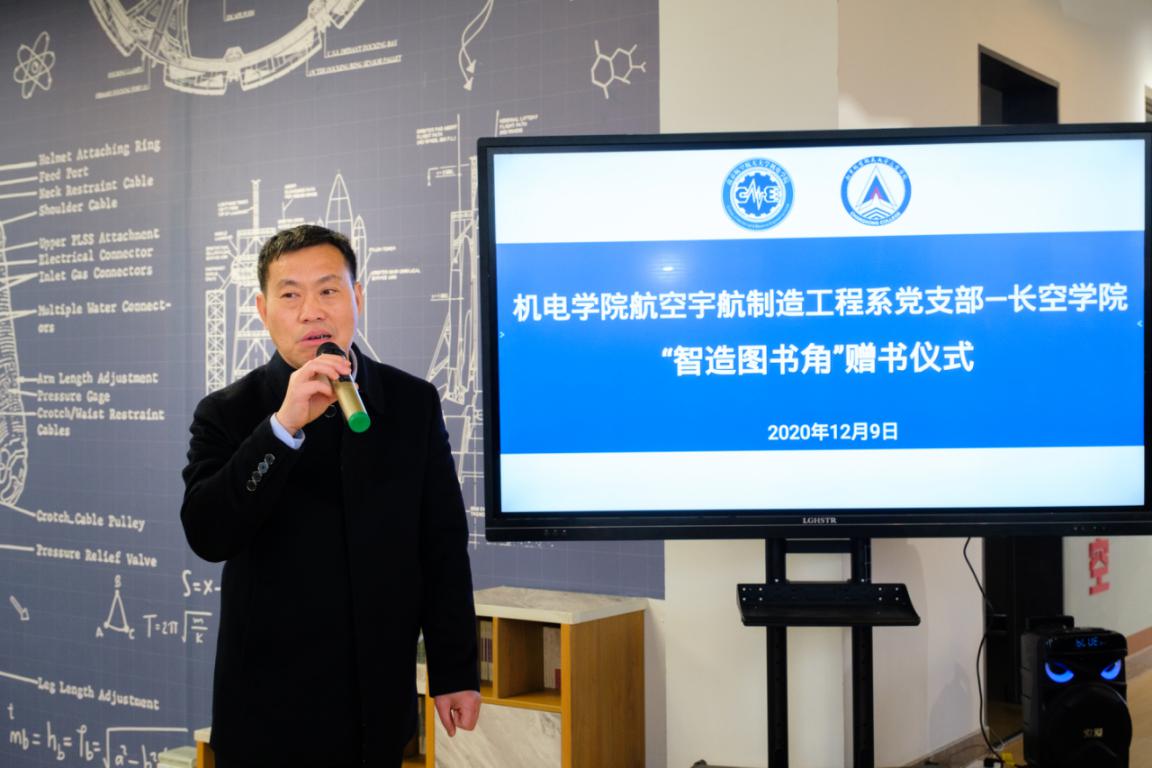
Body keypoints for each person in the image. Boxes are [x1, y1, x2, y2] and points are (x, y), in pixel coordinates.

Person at [181, 224, 480, 767]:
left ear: (357, 297)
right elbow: (208, 533)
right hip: (267, 712)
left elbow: (440, 546)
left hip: (377, 705)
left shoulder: (411, 403)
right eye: (290, 295)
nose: (311, 311)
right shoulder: (227, 412)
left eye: (328, 290)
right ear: (262, 309)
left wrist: (454, 670)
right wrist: (281, 428)